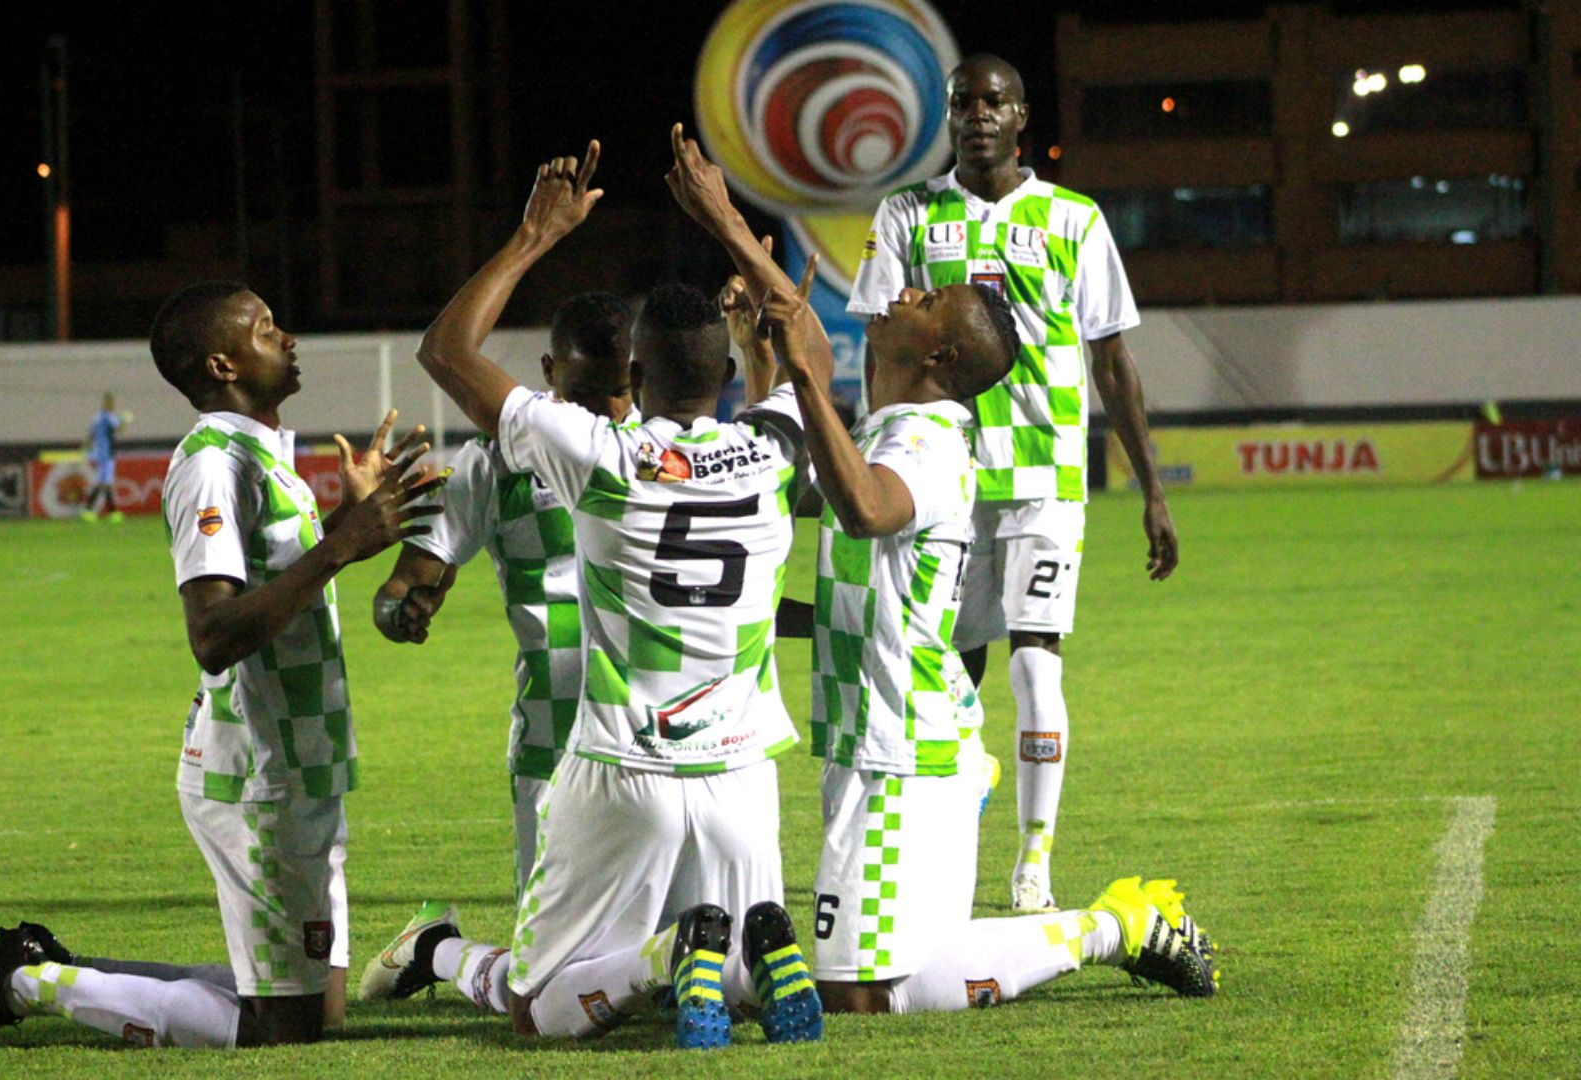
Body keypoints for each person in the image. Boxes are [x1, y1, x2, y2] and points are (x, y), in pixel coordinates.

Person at [361, 137, 828, 1050]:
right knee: (728, 984)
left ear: (638, 381)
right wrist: (730, 222)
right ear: (729, 380)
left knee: (544, 1001)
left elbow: (445, 350)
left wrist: (536, 235)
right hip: (737, 768)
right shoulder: (771, 452)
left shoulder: (600, 460)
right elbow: (804, 352)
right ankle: (711, 959)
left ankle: (480, 954)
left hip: (616, 758)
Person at [0, 281, 442, 1050]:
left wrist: (341, 522)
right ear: (225, 362)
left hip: (298, 756)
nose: (288, 337)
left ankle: (46, 965)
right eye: (267, 329)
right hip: (258, 768)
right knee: (282, 1032)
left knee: (316, 1009)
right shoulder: (209, 462)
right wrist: (342, 544)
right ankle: (23, 981)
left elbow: (274, 584)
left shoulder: (261, 453)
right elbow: (214, 631)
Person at [769, 219, 1217, 1012]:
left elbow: (868, 512)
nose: (904, 290)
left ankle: (1115, 927)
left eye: (929, 298)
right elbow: (868, 592)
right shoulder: (890, 431)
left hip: (900, 741)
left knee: (860, 994)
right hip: (894, 727)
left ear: (938, 355)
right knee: (900, 974)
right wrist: (728, 227)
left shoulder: (924, 446)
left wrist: (803, 376)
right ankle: (1111, 921)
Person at [847, 54, 1179, 913]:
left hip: (1045, 481)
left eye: (994, 101)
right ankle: (957, 800)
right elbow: (879, 344)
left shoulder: (1073, 219)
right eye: (964, 103)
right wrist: (868, 450)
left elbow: (1112, 357)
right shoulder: (907, 214)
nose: (978, 115)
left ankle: (1033, 863)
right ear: (948, 115)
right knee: (947, 674)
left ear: (1022, 115)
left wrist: (1152, 488)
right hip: (939, 475)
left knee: (1036, 668)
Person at [366, 291, 637, 906]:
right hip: (554, 738)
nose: (604, 410)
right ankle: (435, 951)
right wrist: (401, 609)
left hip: (654, 742)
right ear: (548, 373)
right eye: (586, 392)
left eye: (617, 391)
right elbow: (407, 581)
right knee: (546, 965)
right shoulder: (496, 463)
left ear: (639, 375)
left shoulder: (660, 450)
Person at [81, 391, 132, 522]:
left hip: (98, 453)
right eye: (110, 402)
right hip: (106, 453)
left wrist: (86, 450)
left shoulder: (97, 417)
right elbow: (118, 429)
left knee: (104, 482)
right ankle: (97, 510)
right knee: (105, 482)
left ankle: (103, 511)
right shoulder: (108, 417)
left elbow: (90, 435)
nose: (112, 404)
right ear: (107, 403)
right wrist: (125, 421)